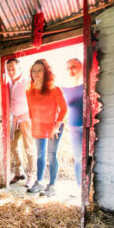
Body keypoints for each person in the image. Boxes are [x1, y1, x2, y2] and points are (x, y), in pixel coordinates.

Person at [26, 59, 67, 197]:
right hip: (38, 127)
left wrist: (56, 126)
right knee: (40, 155)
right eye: (34, 70)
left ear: (46, 72)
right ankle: (39, 182)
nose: (36, 73)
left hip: (54, 127)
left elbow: (64, 109)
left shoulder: (54, 89)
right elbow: (31, 111)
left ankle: (52, 185)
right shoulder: (29, 90)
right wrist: (34, 123)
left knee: (51, 155)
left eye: (39, 70)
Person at [6, 58, 36, 188]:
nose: (10, 72)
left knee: (29, 148)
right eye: (8, 69)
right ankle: (18, 172)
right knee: (13, 146)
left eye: (13, 69)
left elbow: (35, 99)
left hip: (25, 118)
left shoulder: (27, 81)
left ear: (19, 68)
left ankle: (32, 176)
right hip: (13, 119)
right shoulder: (7, 83)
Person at [61, 58, 83, 186]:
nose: (70, 69)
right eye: (68, 67)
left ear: (81, 67)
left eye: (73, 66)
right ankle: (80, 187)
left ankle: (90, 189)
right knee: (78, 158)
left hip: (89, 127)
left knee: (92, 157)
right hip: (74, 128)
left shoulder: (88, 84)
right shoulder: (64, 88)